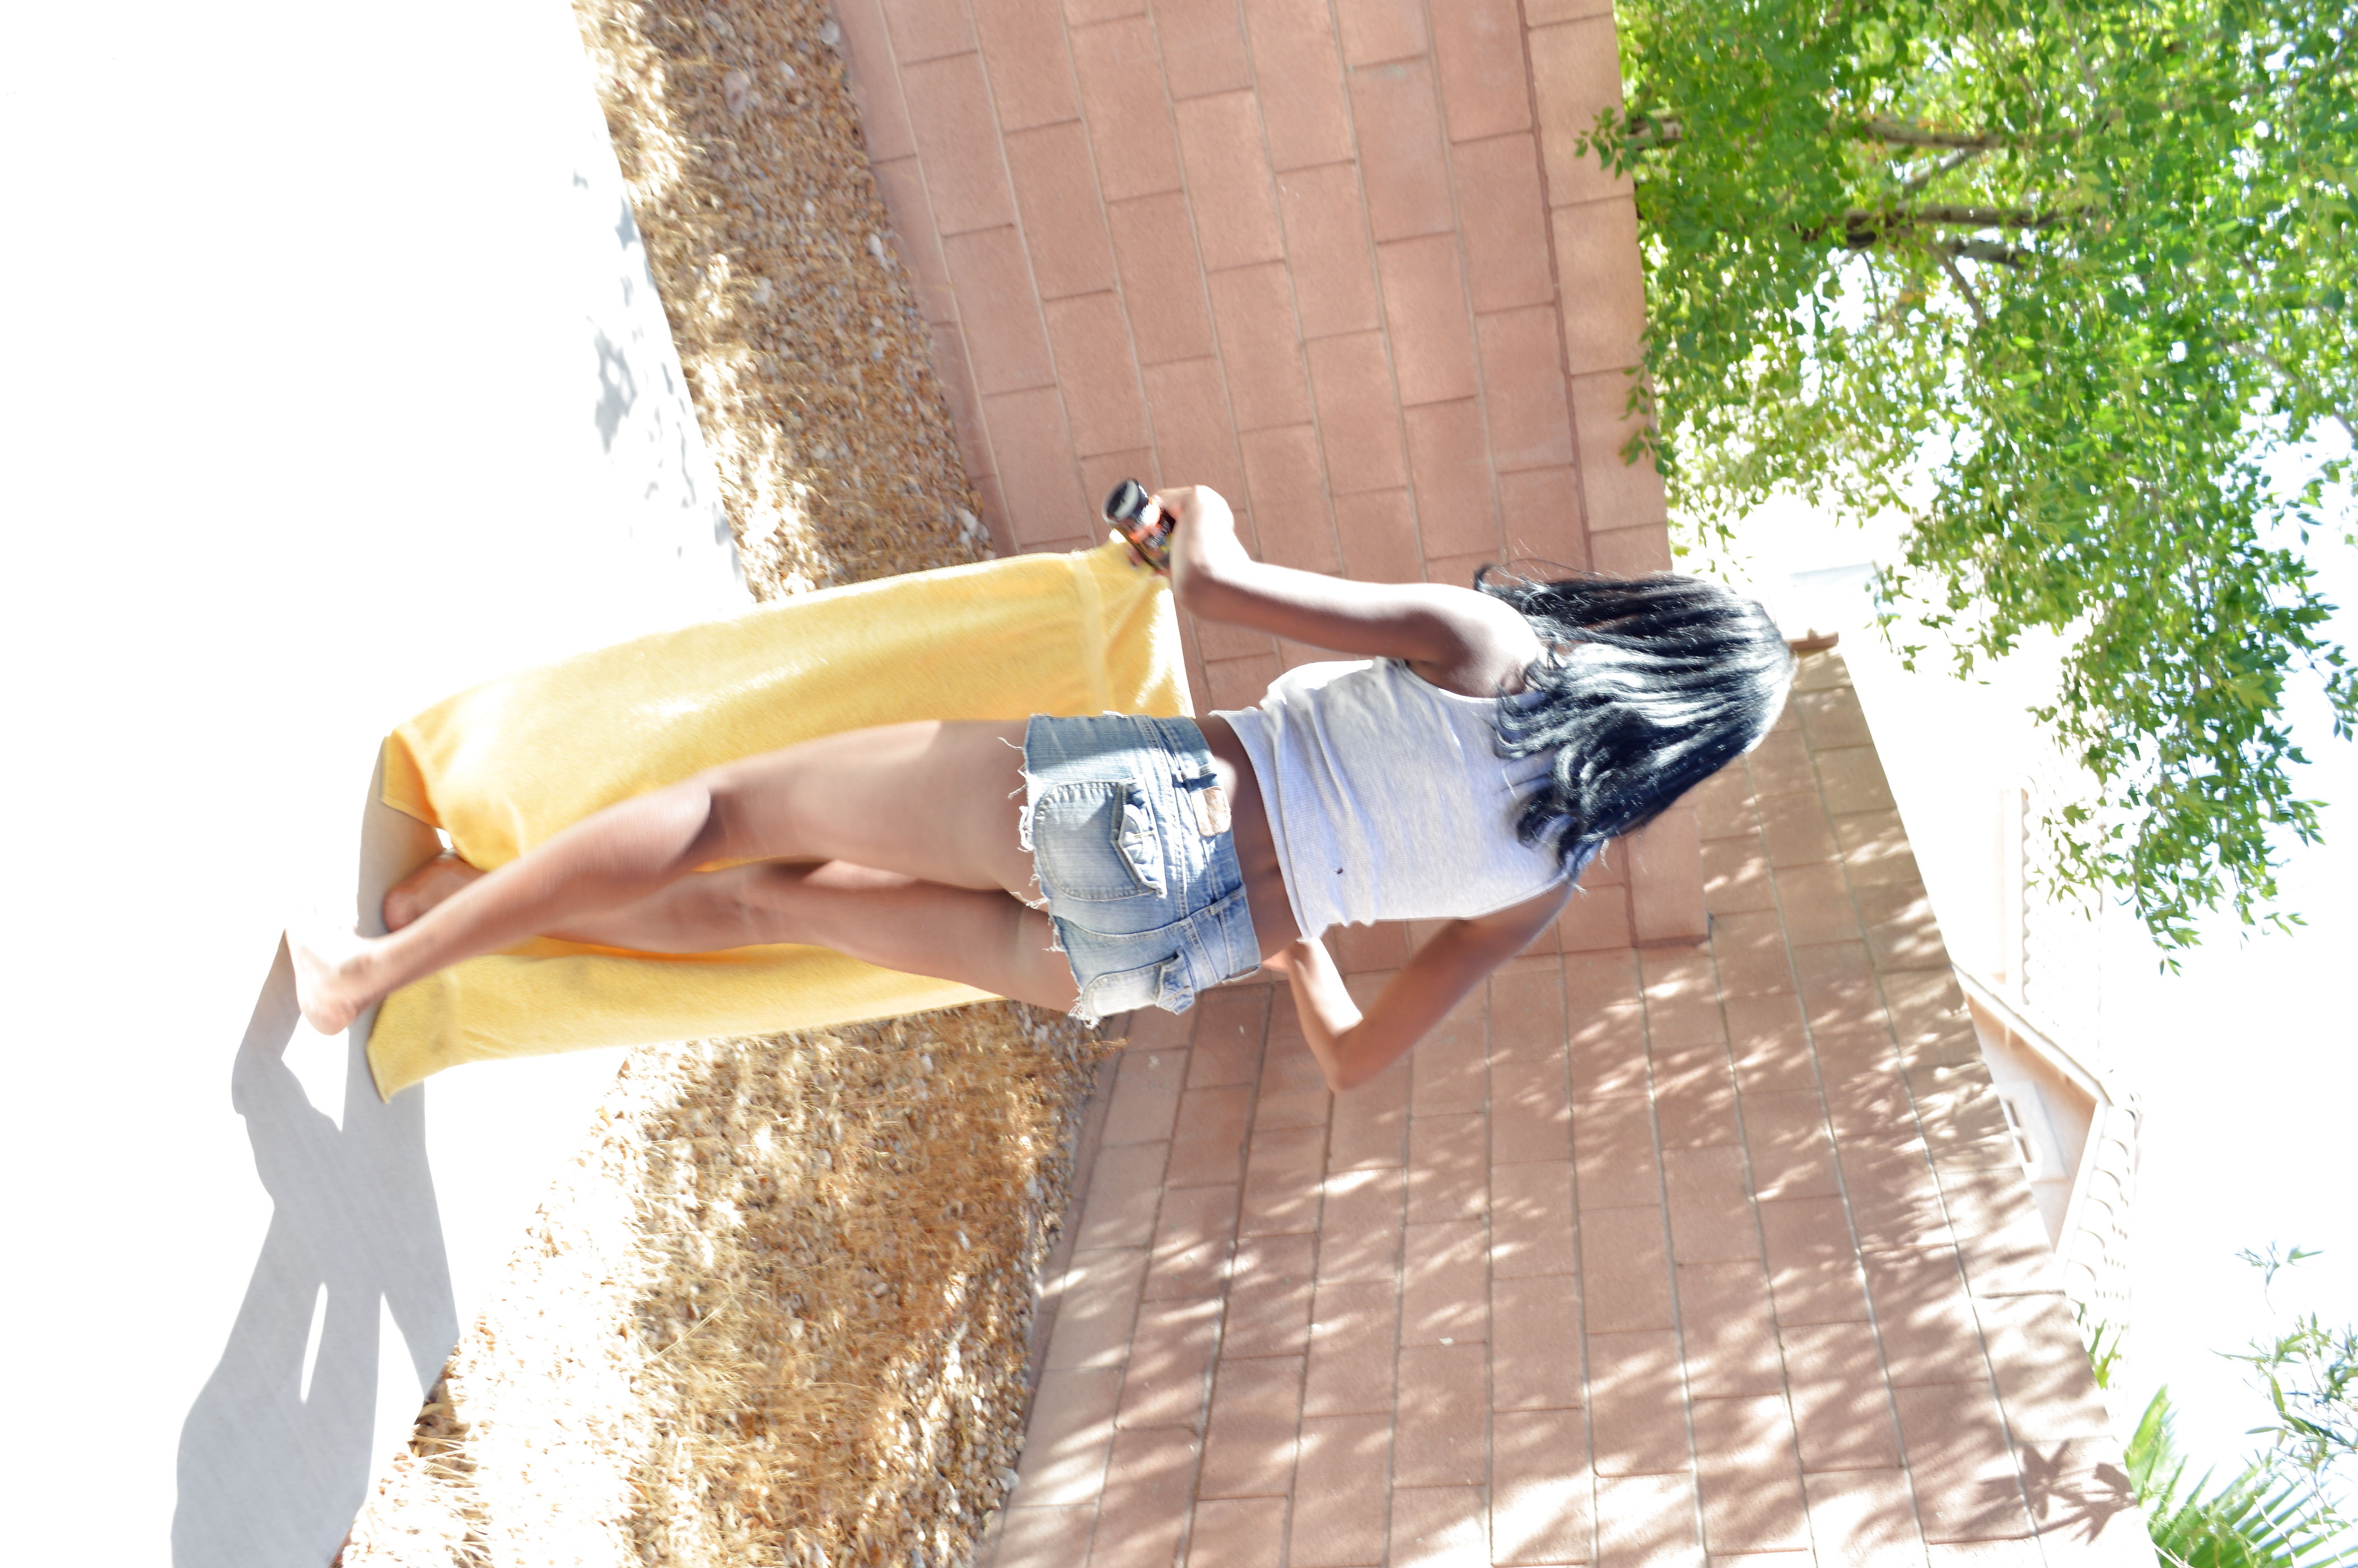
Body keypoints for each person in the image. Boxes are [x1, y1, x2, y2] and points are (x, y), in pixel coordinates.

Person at [292, 486, 1792, 1093]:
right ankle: (453, 910)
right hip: (1161, 959)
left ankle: (371, 970)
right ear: (1688, 751)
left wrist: (1194, 514)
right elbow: (1353, 1059)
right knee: (767, 909)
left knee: (739, 816)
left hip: (1145, 805)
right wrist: (1295, 946)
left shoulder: (1491, 647)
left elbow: (1221, 580)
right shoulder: (1542, 883)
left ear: (1648, 630)